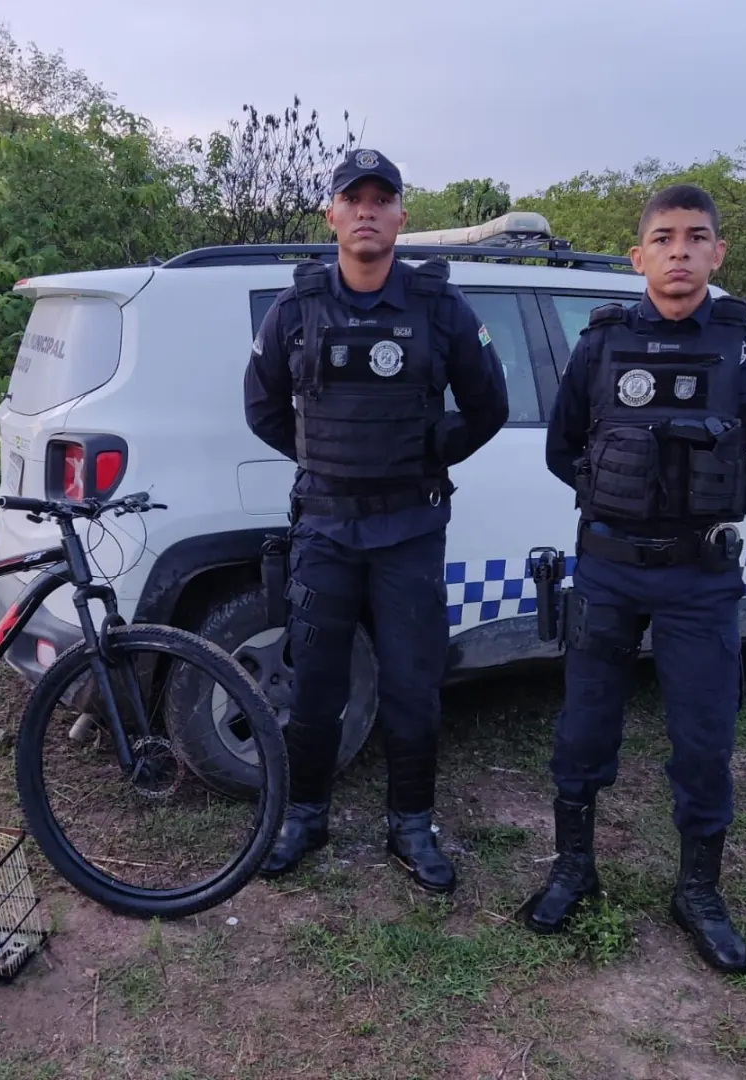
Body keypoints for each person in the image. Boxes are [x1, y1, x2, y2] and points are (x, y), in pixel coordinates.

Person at [521, 184, 746, 973]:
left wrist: (702, 508)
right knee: (582, 729)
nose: (680, 251)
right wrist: (618, 494)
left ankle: (698, 892)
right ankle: (573, 869)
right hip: (607, 570)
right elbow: (562, 445)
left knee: (705, 739)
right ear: (638, 254)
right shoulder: (601, 343)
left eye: (696, 237)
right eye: (664, 238)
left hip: (699, 577)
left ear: (719, 252)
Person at [243, 148, 509, 893]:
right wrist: (324, 457)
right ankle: (304, 816)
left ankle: (411, 825)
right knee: (316, 683)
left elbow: (488, 405)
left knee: (412, 686)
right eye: (350, 197)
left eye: (380, 198)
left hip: (409, 532)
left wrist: (429, 451)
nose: (366, 209)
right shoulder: (295, 308)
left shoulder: (439, 307)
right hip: (325, 529)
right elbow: (261, 406)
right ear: (331, 214)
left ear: (400, 214)